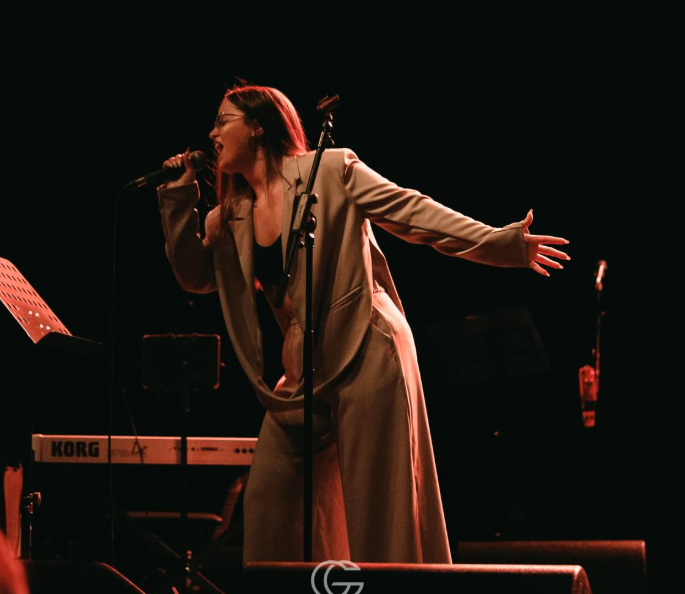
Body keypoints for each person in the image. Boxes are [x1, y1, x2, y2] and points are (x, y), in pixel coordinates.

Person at [157, 85, 569, 563]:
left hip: (367, 345)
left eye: (222, 120)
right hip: (305, 370)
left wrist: (501, 243)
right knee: (269, 498)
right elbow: (196, 276)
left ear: (257, 126)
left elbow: (414, 212)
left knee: (379, 512)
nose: (212, 133)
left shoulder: (330, 171)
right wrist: (177, 197)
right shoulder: (229, 217)